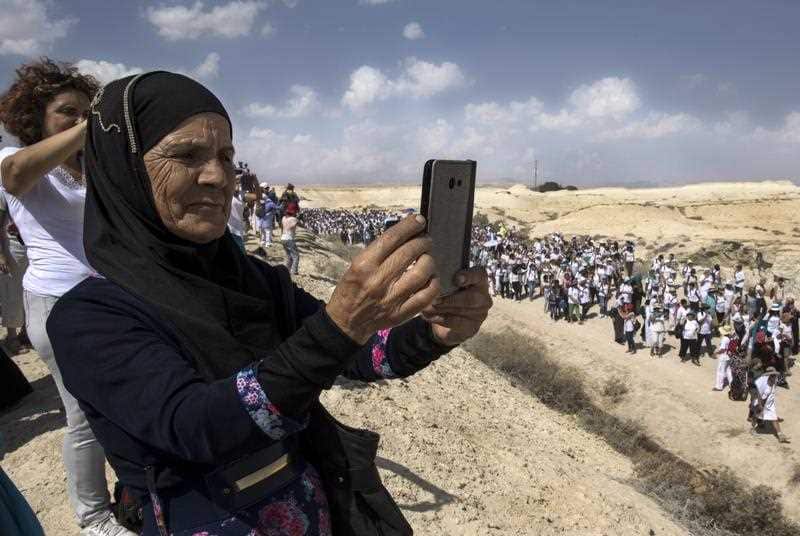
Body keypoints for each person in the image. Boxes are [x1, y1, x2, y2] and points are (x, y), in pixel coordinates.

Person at [46, 72, 493, 536]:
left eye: (226, 156)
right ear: (125, 170)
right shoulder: (88, 318)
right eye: (185, 155)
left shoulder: (251, 278)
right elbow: (198, 427)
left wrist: (435, 333)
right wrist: (338, 328)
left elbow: (357, 355)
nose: (218, 176)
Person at [0, 58, 133, 536]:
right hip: (57, 305)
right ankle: (93, 516)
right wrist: (90, 127)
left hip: (107, 299)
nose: (80, 121)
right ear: (37, 120)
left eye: (87, 112)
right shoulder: (16, 161)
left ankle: (131, 489)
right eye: (68, 112)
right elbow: (15, 175)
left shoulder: (88, 169)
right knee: (84, 415)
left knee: (125, 400)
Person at [0, 193, 29, 354]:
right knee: (12, 292)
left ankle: (25, 332)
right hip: (11, 246)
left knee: (29, 291)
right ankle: (11, 337)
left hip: (31, 244)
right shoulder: (2, 189)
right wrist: (0, 254)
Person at [751, 367, 790, 443]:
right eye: (772, 375)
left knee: (774, 417)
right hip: (761, 401)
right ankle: (752, 428)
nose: (774, 376)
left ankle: (780, 435)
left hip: (770, 402)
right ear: (769, 375)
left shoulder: (775, 379)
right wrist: (760, 406)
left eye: (774, 375)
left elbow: (783, 377)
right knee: (757, 415)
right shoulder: (763, 382)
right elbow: (759, 395)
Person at [281, 202, 300, 275]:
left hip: (283, 238)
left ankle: (286, 270)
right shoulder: (294, 219)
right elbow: (297, 223)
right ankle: (294, 271)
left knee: (289, 256)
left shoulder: (283, 218)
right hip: (289, 239)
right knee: (296, 256)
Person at [713, 325, 733, 391]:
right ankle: (732, 384)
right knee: (728, 370)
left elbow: (722, 349)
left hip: (723, 356)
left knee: (720, 371)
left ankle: (719, 386)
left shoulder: (724, 339)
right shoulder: (730, 338)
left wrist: (716, 353)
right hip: (728, 356)